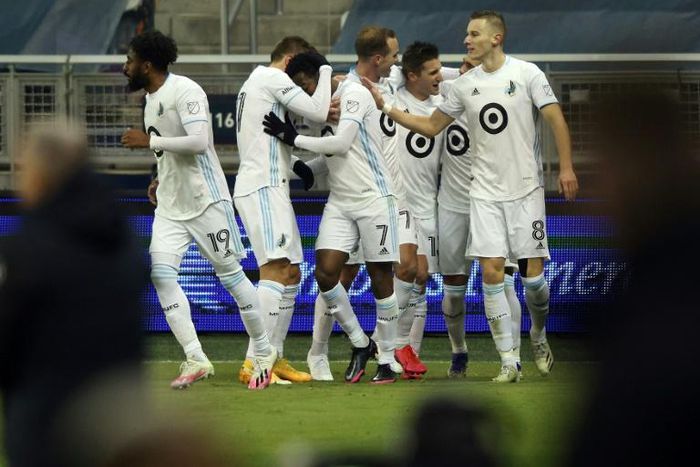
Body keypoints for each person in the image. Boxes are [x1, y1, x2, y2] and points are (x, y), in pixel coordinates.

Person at [361, 10, 579, 382]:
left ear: (496, 38)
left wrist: (567, 168)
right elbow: (431, 126)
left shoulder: (527, 74)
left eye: (474, 33)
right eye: (467, 34)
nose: (466, 40)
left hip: (526, 191)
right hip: (483, 194)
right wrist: (386, 106)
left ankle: (538, 334)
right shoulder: (462, 87)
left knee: (534, 283)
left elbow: (556, 118)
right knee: (491, 275)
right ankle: (509, 361)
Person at [121, 30, 276, 390]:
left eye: (129, 61)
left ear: (146, 64)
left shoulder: (186, 90)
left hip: (206, 201)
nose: (125, 67)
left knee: (233, 279)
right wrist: (160, 177)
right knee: (161, 275)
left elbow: (199, 142)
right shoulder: (150, 99)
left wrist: (150, 141)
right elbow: (169, 153)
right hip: (171, 207)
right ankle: (195, 357)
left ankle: (265, 352)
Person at [0, 121, 146, 466]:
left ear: (40, 174)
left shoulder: (25, 250)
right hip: (120, 423)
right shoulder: (123, 241)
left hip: (45, 423)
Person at [263, 51, 401, 384]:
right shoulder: (321, 108)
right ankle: (360, 341)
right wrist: (303, 168)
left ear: (317, 76)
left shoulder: (352, 93)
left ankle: (387, 358)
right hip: (340, 200)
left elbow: (341, 144)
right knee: (325, 273)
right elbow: (333, 153)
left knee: (381, 278)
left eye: (305, 84)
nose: (304, 93)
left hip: (374, 199)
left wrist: (291, 138)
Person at [234, 36, 334, 385]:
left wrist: (299, 167)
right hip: (261, 186)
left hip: (273, 184)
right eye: (302, 67)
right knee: (275, 269)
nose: (303, 76)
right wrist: (324, 66)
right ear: (290, 59)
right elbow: (319, 111)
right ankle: (254, 362)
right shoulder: (272, 77)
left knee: (291, 271)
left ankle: (273, 357)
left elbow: (269, 139)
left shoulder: (258, 83)